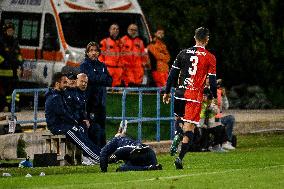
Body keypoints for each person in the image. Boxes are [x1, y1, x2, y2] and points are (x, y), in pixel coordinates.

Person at [163, 27, 217, 169]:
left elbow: (172, 75)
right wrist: (214, 96)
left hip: (180, 93)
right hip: (194, 96)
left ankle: (177, 133)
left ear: (194, 38)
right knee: (190, 128)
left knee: (178, 119)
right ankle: (179, 158)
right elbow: (212, 81)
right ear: (207, 40)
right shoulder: (210, 57)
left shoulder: (182, 53)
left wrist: (167, 92)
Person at [45, 72, 100, 164]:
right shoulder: (54, 97)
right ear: (58, 84)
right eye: (64, 83)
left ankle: (100, 155)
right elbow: (64, 114)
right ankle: (97, 157)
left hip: (65, 125)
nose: (67, 85)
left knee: (83, 137)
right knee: (81, 140)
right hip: (58, 127)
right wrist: (75, 122)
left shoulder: (59, 95)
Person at [80, 41, 113, 148]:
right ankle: (92, 152)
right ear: (87, 53)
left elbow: (109, 80)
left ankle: (103, 152)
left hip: (101, 102)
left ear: (99, 52)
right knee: (92, 128)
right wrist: (101, 78)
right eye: (91, 51)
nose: (94, 53)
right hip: (89, 102)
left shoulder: (102, 65)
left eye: (96, 51)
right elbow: (91, 78)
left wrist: (98, 78)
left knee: (102, 128)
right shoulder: (84, 65)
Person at [0, 22, 23, 111]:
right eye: (9, 31)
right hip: (2, 71)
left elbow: (19, 54)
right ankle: (3, 105)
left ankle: (13, 106)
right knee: (3, 91)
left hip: (13, 70)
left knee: (13, 90)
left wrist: (20, 63)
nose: (11, 32)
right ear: (5, 31)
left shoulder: (15, 41)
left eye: (12, 31)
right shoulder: (1, 41)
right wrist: (4, 62)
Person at [215, 79, 236, 150]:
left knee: (230, 118)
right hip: (208, 119)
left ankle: (226, 142)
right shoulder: (207, 92)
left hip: (218, 119)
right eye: (217, 85)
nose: (218, 86)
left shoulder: (219, 94)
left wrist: (223, 96)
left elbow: (226, 106)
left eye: (219, 85)